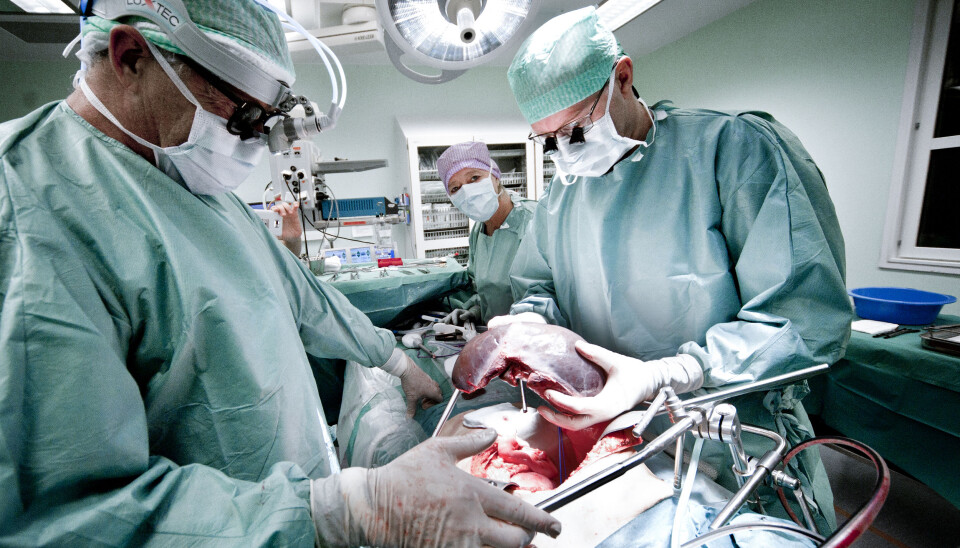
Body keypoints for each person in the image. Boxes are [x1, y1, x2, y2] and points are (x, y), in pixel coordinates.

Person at [0, 1, 560, 545]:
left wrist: (391, 358)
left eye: (267, 122)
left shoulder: (198, 189)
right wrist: (336, 514)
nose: (256, 142)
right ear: (131, 58)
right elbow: (63, 513)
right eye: (244, 116)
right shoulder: (27, 204)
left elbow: (303, 294)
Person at [496, 6, 853, 532]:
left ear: (622, 77)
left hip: (730, 440)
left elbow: (804, 317)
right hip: (617, 440)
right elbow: (540, 283)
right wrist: (528, 321)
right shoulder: (561, 197)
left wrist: (672, 374)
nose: (566, 155)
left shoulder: (733, 151)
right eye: (549, 141)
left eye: (574, 131)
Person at [436, 141, 538, 325]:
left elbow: (551, 293)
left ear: (496, 176)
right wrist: (475, 310)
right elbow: (483, 290)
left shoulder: (534, 220)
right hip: (496, 336)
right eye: (455, 188)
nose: (467, 191)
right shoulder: (479, 230)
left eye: (474, 177)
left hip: (535, 335)